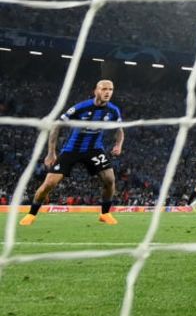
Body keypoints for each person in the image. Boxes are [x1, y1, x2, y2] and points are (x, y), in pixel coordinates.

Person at [20, 80, 124, 226]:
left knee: (110, 179)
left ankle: (105, 214)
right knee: (49, 183)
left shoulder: (113, 110)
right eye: (104, 89)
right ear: (96, 91)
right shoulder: (80, 108)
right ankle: (31, 214)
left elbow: (120, 129)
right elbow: (57, 126)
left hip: (94, 149)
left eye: (111, 89)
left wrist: (118, 144)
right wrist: (51, 152)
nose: (107, 92)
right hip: (72, 149)